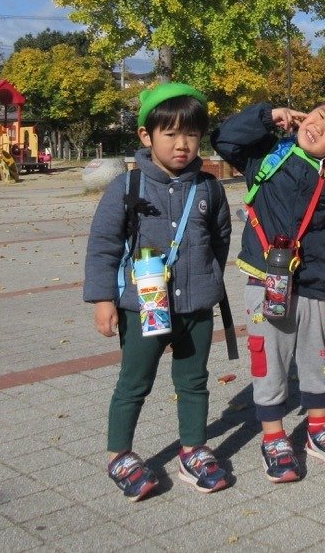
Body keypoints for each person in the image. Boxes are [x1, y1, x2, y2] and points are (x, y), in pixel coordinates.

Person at [212, 89, 325, 482]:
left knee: (317, 359)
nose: (318, 124)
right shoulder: (271, 153)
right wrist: (267, 115)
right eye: (319, 113)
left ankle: (319, 429)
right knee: (270, 358)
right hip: (265, 278)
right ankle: (274, 437)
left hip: (313, 284)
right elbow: (223, 139)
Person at [83, 82, 234, 501]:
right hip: (143, 305)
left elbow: (220, 239)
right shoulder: (127, 187)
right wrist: (103, 300)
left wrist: (206, 279)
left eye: (191, 134)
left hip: (196, 307)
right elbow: (103, 245)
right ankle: (119, 454)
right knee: (134, 381)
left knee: (194, 380)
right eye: (170, 134)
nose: (182, 144)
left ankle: (193, 449)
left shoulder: (208, 188)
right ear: (146, 136)